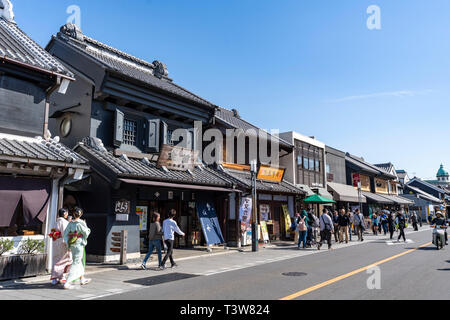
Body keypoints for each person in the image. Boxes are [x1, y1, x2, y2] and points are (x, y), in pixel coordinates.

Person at [63, 207, 91, 289]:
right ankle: (67, 282)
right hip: (79, 244)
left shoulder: (70, 223)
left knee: (78, 261)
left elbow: (65, 234)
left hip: (72, 243)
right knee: (76, 262)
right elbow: (86, 232)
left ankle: (82, 279)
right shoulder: (81, 223)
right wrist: (86, 226)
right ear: (81, 214)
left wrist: (68, 244)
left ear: (74, 214)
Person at [50, 209, 72, 285]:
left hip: (56, 242)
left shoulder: (56, 222)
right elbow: (66, 234)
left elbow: (52, 232)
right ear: (65, 213)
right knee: (66, 260)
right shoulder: (64, 222)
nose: (67, 214)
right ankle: (62, 277)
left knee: (56, 260)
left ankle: (54, 278)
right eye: (67, 213)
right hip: (63, 243)